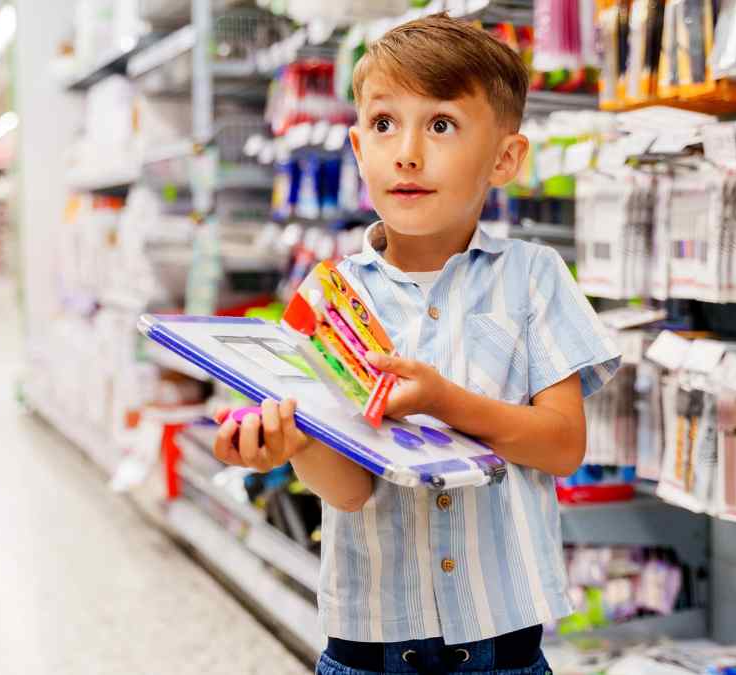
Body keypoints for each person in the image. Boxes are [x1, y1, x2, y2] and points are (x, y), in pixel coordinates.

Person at [213, 15, 621, 675]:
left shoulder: (535, 278)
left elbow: (562, 443)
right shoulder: (328, 299)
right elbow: (347, 492)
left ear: (505, 159)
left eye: (440, 125)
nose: (406, 151)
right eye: (383, 124)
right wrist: (295, 445)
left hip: (501, 651)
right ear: (356, 148)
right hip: (367, 647)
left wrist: (447, 401)